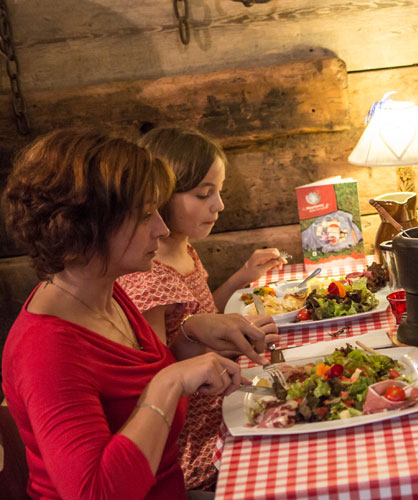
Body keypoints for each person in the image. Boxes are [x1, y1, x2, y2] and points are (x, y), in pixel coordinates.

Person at [1, 129, 275, 499]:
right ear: (86, 228)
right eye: (146, 215)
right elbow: (95, 492)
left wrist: (191, 335)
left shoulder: (106, 291)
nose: (161, 229)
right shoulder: (45, 349)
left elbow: (127, 391)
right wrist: (169, 382)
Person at [117, 126, 285, 491]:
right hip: (199, 446)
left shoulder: (184, 248)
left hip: (228, 402)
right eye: (204, 193)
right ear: (159, 196)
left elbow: (205, 310)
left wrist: (243, 276)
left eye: (219, 192)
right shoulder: (149, 276)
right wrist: (217, 338)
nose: (219, 205)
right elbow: (160, 371)